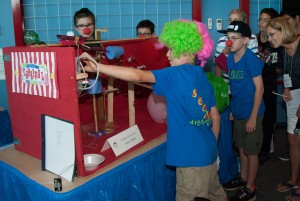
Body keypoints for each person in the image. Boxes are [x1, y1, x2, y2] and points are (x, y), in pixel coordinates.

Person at [81, 19, 228, 201]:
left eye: (171, 49)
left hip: (190, 160)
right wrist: (209, 146)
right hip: (209, 152)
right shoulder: (203, 76)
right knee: (216, 194)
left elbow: (137, 75)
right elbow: (216, 117)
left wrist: (97, 66)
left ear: (187, 50)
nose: (167, 55)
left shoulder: (174, 74)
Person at [219, 21, 265, 201]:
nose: (229, 43)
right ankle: (243, 178)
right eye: (227, 38)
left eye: (234, 39)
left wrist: (253, 117)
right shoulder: (231, 58)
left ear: (245, 40)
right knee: (241, 148)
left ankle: (251, 187)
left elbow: (259, 89)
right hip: (237, 111)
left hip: (252, 113)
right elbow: (235, 86)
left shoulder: (251, 59)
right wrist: (233, 109)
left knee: (251, 151)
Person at [265, 17, 300, 201]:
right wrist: (286, 88)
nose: (269, 38)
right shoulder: (284, 50)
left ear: (284, 29)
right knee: (292, 139)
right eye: (268, 35)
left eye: (272, 34)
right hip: (294, 93)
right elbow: (287, 72)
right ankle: (294, 179)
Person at [256, 8, 280, 165]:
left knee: (269, 117)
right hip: (255, 84)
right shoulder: (253, 40)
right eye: (260, 19)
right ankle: (254, 148)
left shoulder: (276, 42)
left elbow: (281, 66)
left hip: (270, 84)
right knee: (256, 116)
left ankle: (265, 149)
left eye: (265, 20)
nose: (261, 23)